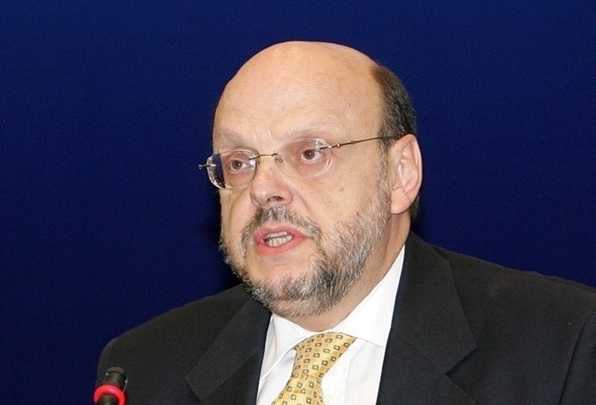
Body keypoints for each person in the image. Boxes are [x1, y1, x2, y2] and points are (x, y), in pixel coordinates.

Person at [97, 41, 596, 404]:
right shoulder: (144, 369)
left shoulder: (563, 348)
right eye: (240, 162)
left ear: (400, 174)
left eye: (310, 152)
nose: (263, 188)